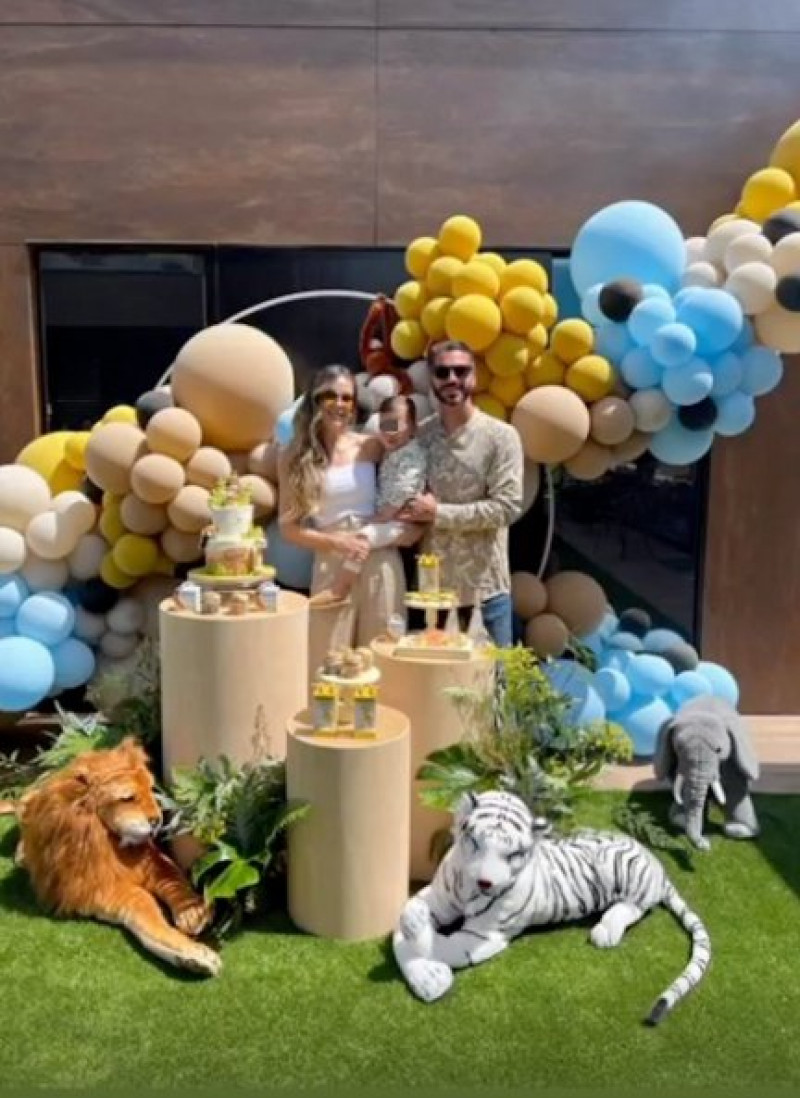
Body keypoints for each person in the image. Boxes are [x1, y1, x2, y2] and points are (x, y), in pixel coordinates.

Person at [278, 365, 420, 647]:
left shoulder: (372, 446)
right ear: (314, 400)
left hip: (380, 557)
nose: (340, 404)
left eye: (347, 397)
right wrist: (335, 541)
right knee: (328, 661)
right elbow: (288, 529)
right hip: (332, 561)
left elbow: (409, 475)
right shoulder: (294, 456)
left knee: (383, 657)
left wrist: (415, 519)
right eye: (330, 395)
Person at [397, 339, 524, 647]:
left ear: (475, 377)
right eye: (443, 372)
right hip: (431, 595)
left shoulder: (501, 437)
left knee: (492, 688)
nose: (452, 379)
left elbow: (506, 508)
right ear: (432, 380)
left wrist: (438, 513)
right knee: (431, 692)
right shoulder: (421, 437)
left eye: (461, 371)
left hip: (485, 593)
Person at [309, 394, 427, 607]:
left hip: (397, 521)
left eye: (395, 425)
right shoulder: (389, 450)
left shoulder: (410, 456)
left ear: (412, 427)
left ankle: (339, 588)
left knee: (363, 538)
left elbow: (404, 491)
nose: (388, 433)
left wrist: (382, 517)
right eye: (384, 426)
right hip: (386, 522)